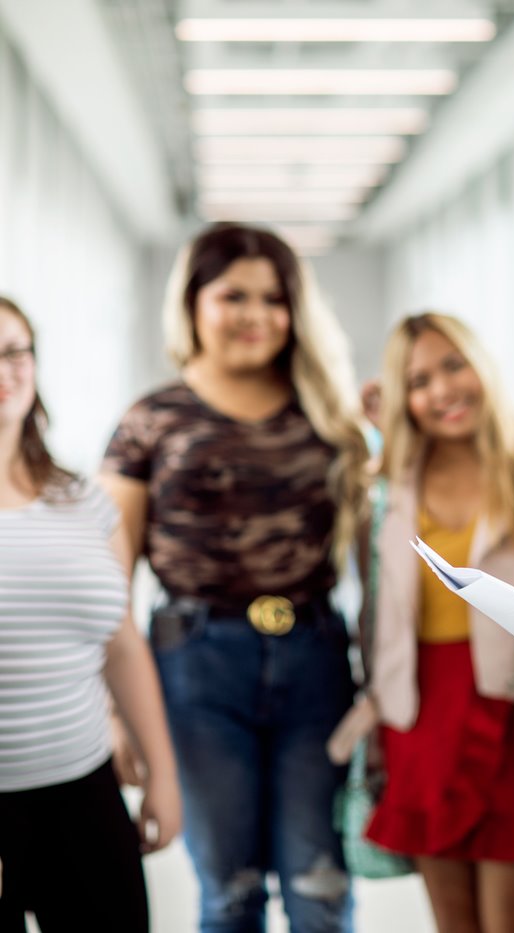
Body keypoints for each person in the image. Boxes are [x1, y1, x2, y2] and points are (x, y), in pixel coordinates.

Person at [101, 223, 369, 932]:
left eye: (274, 298)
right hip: (194, 664)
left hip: (315, 659)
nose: (256, 315)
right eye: (233, 295)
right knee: (229, 887)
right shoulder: (150, 419)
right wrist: (112, 709)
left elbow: (388, 547)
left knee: (319, 881)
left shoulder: (329, 414)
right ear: (192, 304)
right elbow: (108, 577)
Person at [330, 312, 514, 933]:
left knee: (509, 920)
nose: (442, 390)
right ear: (401, 398)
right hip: (419, 710)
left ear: (482, 367)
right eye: (418, 381)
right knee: (452, 922)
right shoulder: (390, 481)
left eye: (453, 365)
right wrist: (374, 424)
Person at [0, 296, 180, 932]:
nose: (3, 370)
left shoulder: (84, 501)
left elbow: (122, 643)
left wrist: (161, 772)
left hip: (82, 787)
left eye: (14, 351)